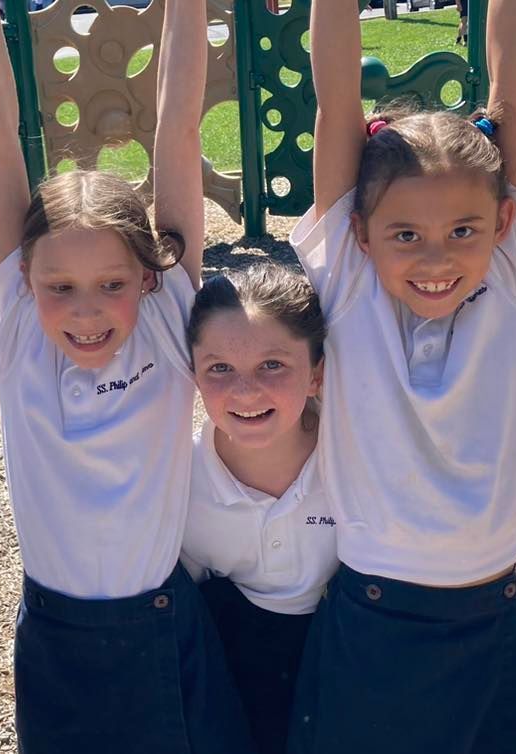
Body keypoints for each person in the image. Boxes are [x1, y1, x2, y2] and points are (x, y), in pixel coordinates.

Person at [0, 1, 253, 752]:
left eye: (111, 285)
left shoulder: (165, 314)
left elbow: (178, 126)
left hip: (161, 623)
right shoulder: (22, 325)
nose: (86, 311)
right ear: (27, 278)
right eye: (62, 286)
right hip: (57, 635)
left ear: (149, 278)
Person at [287, 0, 516, 752]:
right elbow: (336, 96)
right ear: (360, 234)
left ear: (504, 225)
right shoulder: (348, 280)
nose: (436, 259)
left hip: (488, 619)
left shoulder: (514, 275)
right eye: (405, 235)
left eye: (462, 232)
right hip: (371, 621)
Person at [182, 263, 338, 754]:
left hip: (346, 668)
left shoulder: (358, 458)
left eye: (272, 365)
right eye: (220, 368)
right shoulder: (178, 484)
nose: (245, 392)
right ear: (194, 375)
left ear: (316, 374)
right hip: (235, 681)